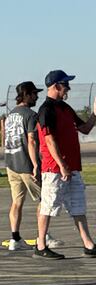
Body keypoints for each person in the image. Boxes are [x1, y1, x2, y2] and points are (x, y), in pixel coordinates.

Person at [34, 70, 96, 259]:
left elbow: (85, 128)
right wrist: (61, 165)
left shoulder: (65, 108)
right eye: (65, 84)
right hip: (54, 169)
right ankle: (41, 244)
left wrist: (94, 114)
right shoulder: (46, 110)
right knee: (49, 206)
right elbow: (49, 140)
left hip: (73, 167)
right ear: (56, 86)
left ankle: (88, 244)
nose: (68, 87)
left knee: (78, 207)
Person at [3, 81, 62, 250]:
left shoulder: (10, 115)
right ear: (27, 95)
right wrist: (36, 164)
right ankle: (43, 236)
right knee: (44, 199)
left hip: (11, 164)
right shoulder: (30, 115)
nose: (37, 96)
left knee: (16, 202)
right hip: (26, 165)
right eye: (34, 93)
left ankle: (15, 239)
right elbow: (31, 140)